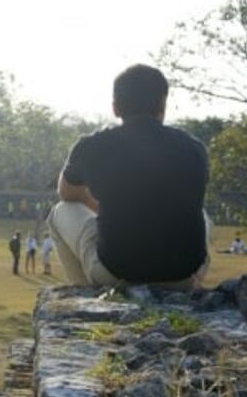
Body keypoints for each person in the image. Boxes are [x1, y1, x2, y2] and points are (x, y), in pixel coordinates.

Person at [48, 64, 210, 288]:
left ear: (115, 107)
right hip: (184, 275)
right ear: (162, 105)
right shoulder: (194, 147)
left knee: (59, 211)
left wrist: (100, 207)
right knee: (203, 214)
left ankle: (85, 292)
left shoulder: (92, 146)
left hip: (118, 273)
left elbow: (66, 193)